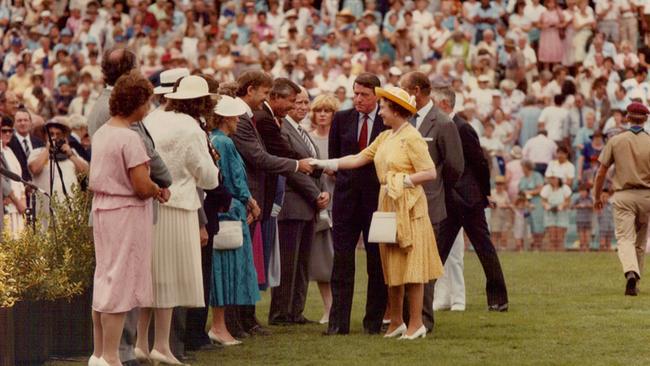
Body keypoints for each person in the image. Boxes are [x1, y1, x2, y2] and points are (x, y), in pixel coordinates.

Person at [311, 86, 443, 339]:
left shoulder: (412, 137)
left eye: (384, 107)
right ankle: (396, 322)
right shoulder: (385, 137)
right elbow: (358, 158)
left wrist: (402, 181)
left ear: (395, 110)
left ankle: (416, 324)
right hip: (388, 203)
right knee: (390, 262)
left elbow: (429, 172)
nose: (380, 111)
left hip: (408, 205)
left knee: (411, 264)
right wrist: (323, 163)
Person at [87, 47, 172, 366]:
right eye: (147, 101)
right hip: (124, 213)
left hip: (105, 210)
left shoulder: (106, 133)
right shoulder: (128, 138)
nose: (149, 106)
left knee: (105, 279)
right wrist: (158, 191)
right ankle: (111, 355)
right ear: (136, 103)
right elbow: (140, 184)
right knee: (119, 284)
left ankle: (99, 353)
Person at [138, 75, 220, 364]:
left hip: (150, 203)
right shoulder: (191, 128)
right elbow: (209, 178)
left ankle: (141, 341)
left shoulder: (153, 118)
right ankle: (160, 344)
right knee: (169, 279)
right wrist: (213, 165)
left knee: (152, 275)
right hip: (179, 205)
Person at [230, 70, 313, 336]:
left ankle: (245, 319)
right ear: (251, 89)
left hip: (257, 197)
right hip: (251, 197)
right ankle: (239, 321)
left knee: (249, 261)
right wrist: (298, 165)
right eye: (265, 93)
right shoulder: (250, 119)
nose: (266, 99)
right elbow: (260, 157)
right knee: (244, 262)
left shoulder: (252, 117)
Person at [430, 83, 509, 312]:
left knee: (484, 248)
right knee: (438, 251)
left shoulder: (463, 128)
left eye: (435, 102)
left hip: (468, 200)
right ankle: (423, 299)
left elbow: (480, 163)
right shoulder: (442, 126)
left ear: (445, 104)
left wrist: (484, 193)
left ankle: (498, 299)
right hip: (450, 199)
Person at [399, 73, 464, 332]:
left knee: (423, 266)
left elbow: (454, 166)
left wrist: (435, 188)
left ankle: (423, 320)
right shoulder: (403, 119)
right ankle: (403, 319)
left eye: (404, 88)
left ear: (416, 91)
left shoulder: (444, 123)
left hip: (429, 203)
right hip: (402, 202)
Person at [325, 73, 387, 336]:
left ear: (377, 96)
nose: (358, 99)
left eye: (364, 94)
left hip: (377, 204)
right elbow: (335, 159)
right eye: (356, 93)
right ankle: (338, 324)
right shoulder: (342, 118)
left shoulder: (386, 122)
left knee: (377, 264)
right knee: (342, 263)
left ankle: (373, 323)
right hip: (346, 202)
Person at [270, 87, 330, 325]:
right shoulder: (282, 130)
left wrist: (323, 190)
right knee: (288, 261)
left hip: (309, 203)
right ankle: (281, 312)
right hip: (293, 202)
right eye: (298, 102)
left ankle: (295, 310)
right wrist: (316, 194)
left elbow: (316, 166)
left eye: (306, 103)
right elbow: (293, 170)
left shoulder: (302, 131)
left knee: (303, 261)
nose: (303, 107)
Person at [207, 95, 261, 346]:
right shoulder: (224, 143)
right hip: (230, 211)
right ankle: (219, 326)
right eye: (236, 116)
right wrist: (250, 200)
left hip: (227, 209)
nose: (239, 120)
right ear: (226, 118)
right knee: (227, 270)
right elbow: (233, 180)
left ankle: (222, 325)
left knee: (225, 268)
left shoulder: (215, 139)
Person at [593, 102, 650, 296]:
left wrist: (596, 196)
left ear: (627, 117)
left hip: (623, 195)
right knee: (640, 242)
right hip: (646, 196)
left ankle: (630, 272)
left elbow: (601, 172)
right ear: (646, 119)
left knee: (625, 239)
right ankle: (637, 280)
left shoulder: (616, 140)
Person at [308, 93, 339, 324]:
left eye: (327, 111)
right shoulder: (308, 139)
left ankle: (338, 306)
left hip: (339, 199)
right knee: (321, 259)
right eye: (319, 110)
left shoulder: (339, 139)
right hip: (318, 203)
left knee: (339, 256)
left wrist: (333, 171)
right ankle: (328, 307)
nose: (322, 115)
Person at [7, 108, 44, 181]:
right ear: (14, 124)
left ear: (30, 123)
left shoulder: (39, 143)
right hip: (19, 185)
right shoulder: (9, 143)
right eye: (19, 120)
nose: (23, 123)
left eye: (25, 120)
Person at [519, 160, 546, 250]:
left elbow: (540, 189)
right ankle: (531, 245)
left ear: (527, 167)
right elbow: (520, 191)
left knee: (537, 224)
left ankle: (539, 245)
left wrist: (529, 192)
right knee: (529, 224)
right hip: (526, 204)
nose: (522, 169)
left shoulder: (537, 176)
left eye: (523, 167)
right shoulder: (522, 178)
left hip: (536, 203)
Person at [541, 174, 572, 251]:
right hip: (550, 214)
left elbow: (568, 201)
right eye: (551, 179)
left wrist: (560, 206)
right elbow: (543, 201)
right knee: (552, 237)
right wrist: (548, 207)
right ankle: (552, 255)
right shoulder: (546, 188)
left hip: (562, 214)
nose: (553, 180)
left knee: (560, 237)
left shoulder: (565, 188)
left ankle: (560, 254)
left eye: (554, 178)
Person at [491, 176, 512, 250]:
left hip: (504, 217)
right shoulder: (492, 193)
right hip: (494, 217)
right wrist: (498, 205)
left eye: (501, 184)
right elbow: (491, 204)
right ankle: (494, 250)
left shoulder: (505, 193)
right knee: (494, 235)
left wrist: (506, 206)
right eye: (498, 184)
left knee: (504, 235)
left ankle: (504, 250)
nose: (499, 186)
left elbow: (509, 204)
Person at [572, 184, 594, 251]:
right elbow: (572, 206)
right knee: (581, 234)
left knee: (587, 235)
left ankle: (587, 248)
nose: (582, 193)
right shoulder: (578, 199)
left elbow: (594, 207)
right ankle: (581, 248)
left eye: (584, 191)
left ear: (587, 192)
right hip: (580, 220)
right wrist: (578, 206)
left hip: (588, 220)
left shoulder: (590, 199)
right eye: (581, 191)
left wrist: (588, 205)